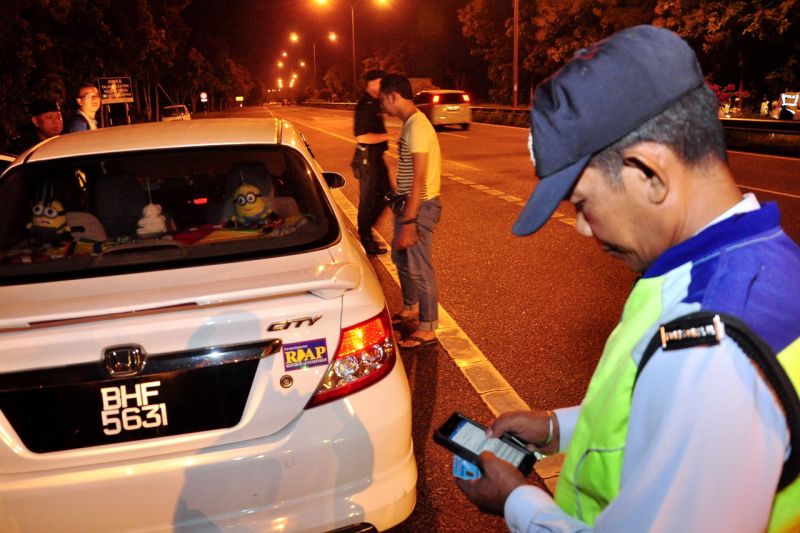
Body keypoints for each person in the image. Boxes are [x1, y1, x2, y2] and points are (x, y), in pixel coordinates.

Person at [455, 25, 800, 532]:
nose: (581, 227)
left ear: (649, 173)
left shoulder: (709, 350)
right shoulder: (750, 260)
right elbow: (658, 409)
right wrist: (557, 428)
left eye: (583, 202)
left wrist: (518, 500)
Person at [379, 73, 442, 350]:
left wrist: (410, 220)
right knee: (401, 258)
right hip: (407, 203)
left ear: (393, 96)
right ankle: (411, 307)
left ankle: (428, 328)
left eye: (383, 100)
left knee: (419, 267)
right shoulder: (410, 125)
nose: (382, 106)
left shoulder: (417, 126)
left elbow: (419, 177)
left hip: (420, 206)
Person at [352, 69, 392, 256]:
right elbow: (362, 136)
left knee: (386, 194)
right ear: (371, 84)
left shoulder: (375, 103)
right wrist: (389, 135)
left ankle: (366, 231)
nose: (382, 85)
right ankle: (366, 238)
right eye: (380, 82)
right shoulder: (365, 105)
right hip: (367, 159)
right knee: (368, 201)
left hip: (376, 157)